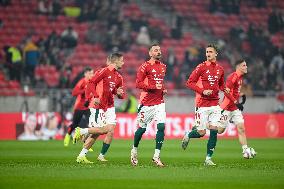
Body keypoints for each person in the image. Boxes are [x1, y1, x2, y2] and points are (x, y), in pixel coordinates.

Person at [181, 44, 231, 166]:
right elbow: (189, 82)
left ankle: (208, 159)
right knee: (201, 133)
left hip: (215, 104)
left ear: (216, 54)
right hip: (202, 104)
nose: (208, 54)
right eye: (207, 52)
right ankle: (188, 134)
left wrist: (225, 89)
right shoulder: (201, 67)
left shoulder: (220, 69)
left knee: (214, 131)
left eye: (210, 52)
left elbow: (220, 84)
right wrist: (202, 91)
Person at [73, 52, 125, 164]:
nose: (123, 62)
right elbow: (91, 83)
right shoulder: (103, 71)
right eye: (122, 60)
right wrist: (95, 96)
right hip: (99, 106)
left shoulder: (119, 77)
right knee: (99, 132)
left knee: (109, 130)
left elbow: (120, 94)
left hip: (110, 106)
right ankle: (81, 131)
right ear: (115, 61)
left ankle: (95, 155)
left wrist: (120, 94)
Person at [130, 44, 167, 167]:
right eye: (156, 50)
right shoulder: (144, 67)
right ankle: (134, 150)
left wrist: (163, 89)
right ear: (150, 53)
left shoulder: (163, 66)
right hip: (146, 103)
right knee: (141, 129)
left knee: (161, 127)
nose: (158, 52)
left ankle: (156, 156)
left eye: (159, 50)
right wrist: (153, 87)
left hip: (159, 102)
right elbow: (138, 84)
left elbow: (160, 83)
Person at [219, 59, 256, 157]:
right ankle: (204, 124)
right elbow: (226, 91)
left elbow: (234, 91)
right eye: (244, 65)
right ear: (239, 67)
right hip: (226, 108)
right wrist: (236, 102)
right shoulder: (233, 77)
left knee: (241, 128)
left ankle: (245, 151)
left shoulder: (240, 78)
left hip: (234, 108)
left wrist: (241, 94)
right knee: (220, 130)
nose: (246, 67)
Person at [63, 67, 94, 147]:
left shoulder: (93, 82)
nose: (92, 75)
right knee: (75, 124)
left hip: (88, 107)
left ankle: (86, 143)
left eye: (92, 73)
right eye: (90, 73)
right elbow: (74, 92)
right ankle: (68, 136)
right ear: (85, 74)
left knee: (91, 125)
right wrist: (84, 91)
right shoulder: (82, 81)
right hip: (80, 106)